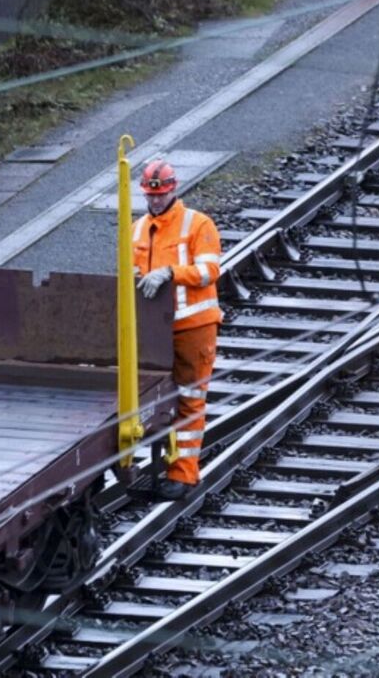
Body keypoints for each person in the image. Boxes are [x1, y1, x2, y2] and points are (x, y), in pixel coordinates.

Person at [132, 159, 222, 501]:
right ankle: (155, 463)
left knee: (190, 398)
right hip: (154, 330)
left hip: (194, 327)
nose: (155, 200)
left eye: (161, 194)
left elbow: (209, 270)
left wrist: (170, 273)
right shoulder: (138, 229)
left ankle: (183, 475)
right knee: (152, 399)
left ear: (174, 190)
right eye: (150, 195)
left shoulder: (197, 224)